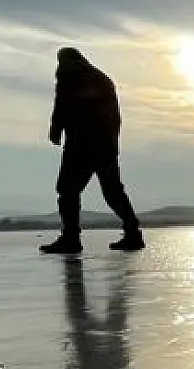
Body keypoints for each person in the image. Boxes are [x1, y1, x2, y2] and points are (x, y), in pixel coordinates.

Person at [40, 47, 145, 253]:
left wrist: (55, 130)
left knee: (68, 190)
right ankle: (132, 233)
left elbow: (62, 106)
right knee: (113, 191)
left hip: (80, 146)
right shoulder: (101, 78)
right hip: (104, 146)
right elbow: (114, 117)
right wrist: (112, 142)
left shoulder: (69, 78)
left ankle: (71, 238)